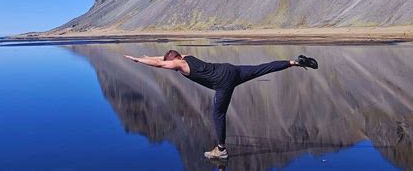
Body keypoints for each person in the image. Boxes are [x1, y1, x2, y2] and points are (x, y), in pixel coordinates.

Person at [124, 50, 318, 160]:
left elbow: (161, 64)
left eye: (170, 63)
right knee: (262, 68)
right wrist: (148, 57)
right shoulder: (186, 56)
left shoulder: (178, 64)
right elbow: (162, 59)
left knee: (218, 114)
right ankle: (294, 62)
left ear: (173, 60)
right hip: (230, 69)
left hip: (222, 82)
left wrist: (138, 61)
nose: (171, 66)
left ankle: (221, 149)